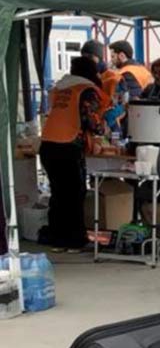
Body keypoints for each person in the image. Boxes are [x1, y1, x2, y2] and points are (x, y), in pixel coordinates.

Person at [40, 56, 107, 251]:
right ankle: (74, 241)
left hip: (48, 144)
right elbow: (91, 121)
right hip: (68, 145)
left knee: (58, 194)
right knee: (74, 193)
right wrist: (103, 128)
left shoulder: (61, 87)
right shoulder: (86, 90)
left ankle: (57, 239)